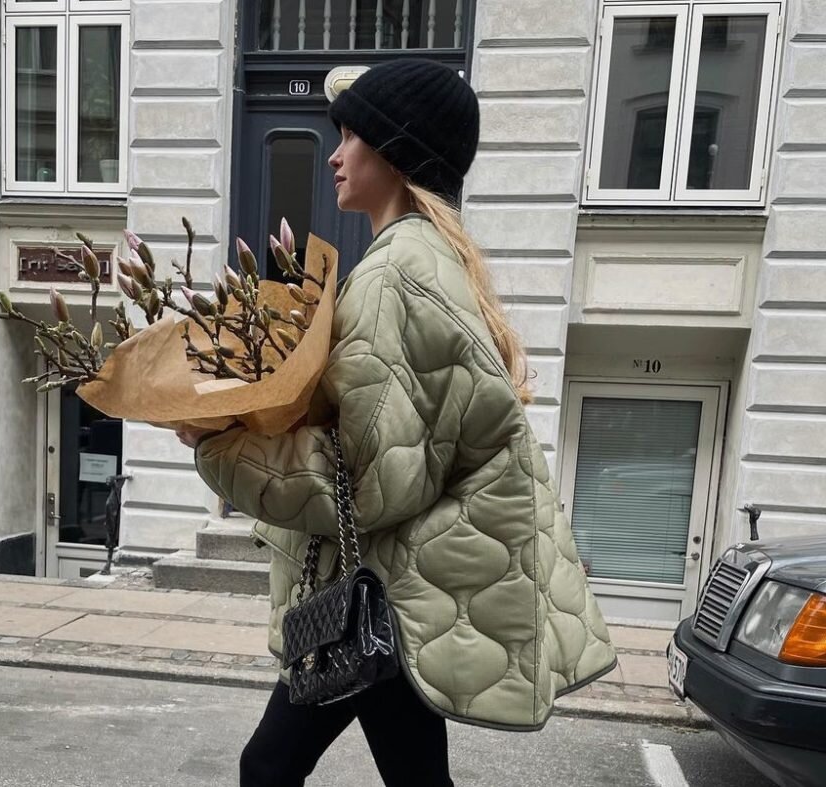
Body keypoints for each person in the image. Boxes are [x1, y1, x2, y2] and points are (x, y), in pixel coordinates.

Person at [177, 59, 617, 787]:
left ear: (395, 153)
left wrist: (220, 445)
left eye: (352, 136)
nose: (335, 155)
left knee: (269, 766)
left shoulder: (390, 276)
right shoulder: (433, 261)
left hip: (381, 582)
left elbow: (366, 482)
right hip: (404, 583)